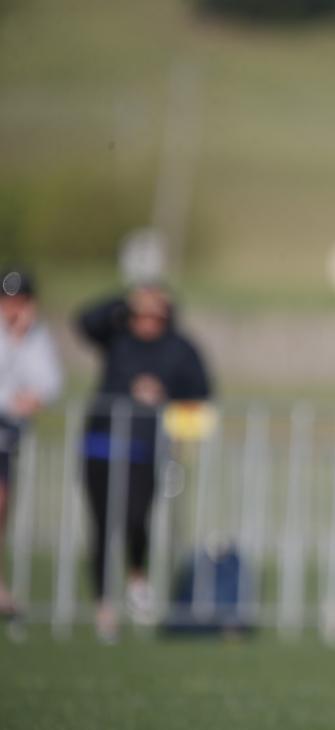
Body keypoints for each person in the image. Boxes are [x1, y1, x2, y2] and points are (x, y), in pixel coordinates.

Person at [76, 283, 212, 641]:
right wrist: (123, 298)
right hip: (101, 444)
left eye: (156, 310)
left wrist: (170, 409)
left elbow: (201, 393)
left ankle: (137, 574)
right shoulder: (117, 336)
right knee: (102, 525)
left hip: (147, 448)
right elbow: (85, 322)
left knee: (136, 518)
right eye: (143, 310)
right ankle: (104, 606)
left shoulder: (178, 348)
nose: (149, 318)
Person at [0, 269, 62, 618]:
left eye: (19, 301)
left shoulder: (35, 336)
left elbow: (49, 383)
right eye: (7, 300)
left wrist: (21, 337)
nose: (12, 308)